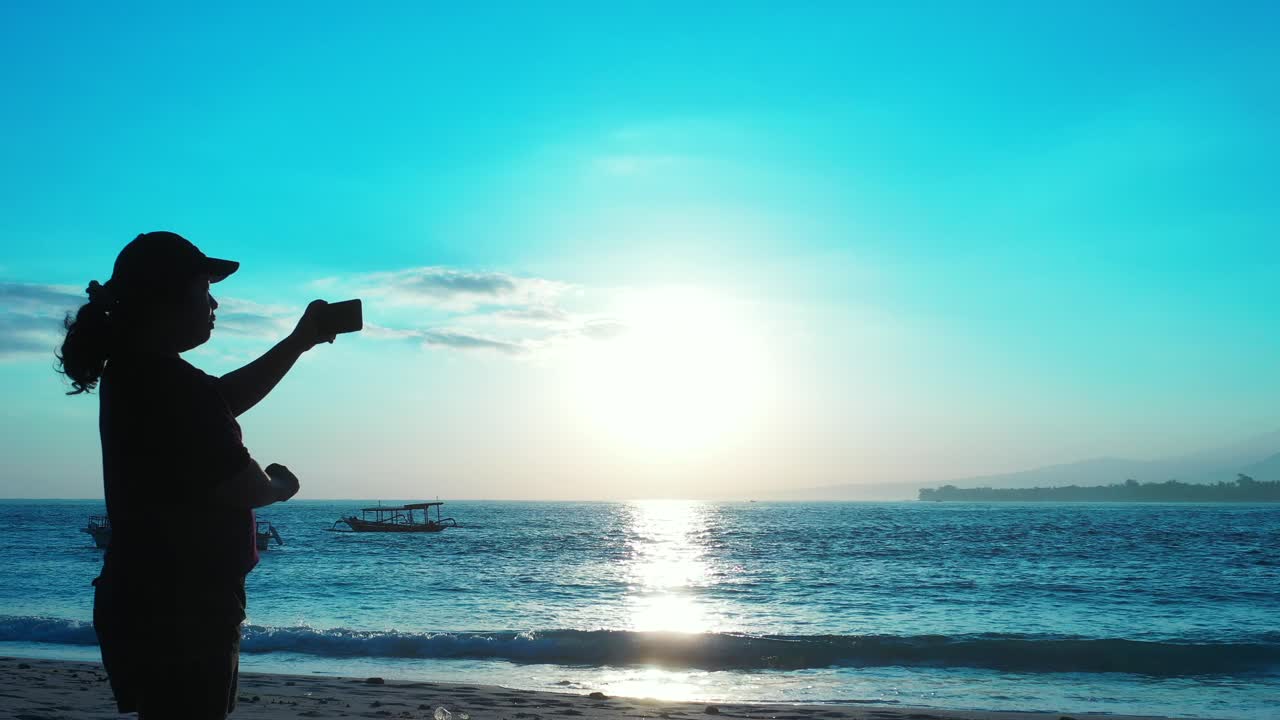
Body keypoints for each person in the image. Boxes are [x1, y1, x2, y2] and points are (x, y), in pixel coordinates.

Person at [57, 231, 336, 719]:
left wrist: (299, 342)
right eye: (203, 289)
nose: (214, 302)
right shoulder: (170, 385)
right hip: (185, 611)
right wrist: (281, 486)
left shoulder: (140, 374)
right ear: (166, 298)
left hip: (146, 599)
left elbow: (221, 398)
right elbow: (239, 483)